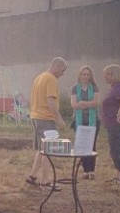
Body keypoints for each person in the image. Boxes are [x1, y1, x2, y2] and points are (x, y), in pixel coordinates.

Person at [26, 57, 68, 189]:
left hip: (36, 117)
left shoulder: (39, 77)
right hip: (46, 118)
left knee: (42, 149)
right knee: (48, 150)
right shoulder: (51, 79)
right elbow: (50, 100)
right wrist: (59, 118)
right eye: (63, 70)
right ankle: (45, 181)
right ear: (56, 66)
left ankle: (32, 176)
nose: (63, 73)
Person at [70, 65, 101, 179]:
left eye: (88, 74)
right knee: (82, 144)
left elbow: (97, 103)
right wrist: (89, 104)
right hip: (79, 120)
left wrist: (83, 103)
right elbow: (74, 105)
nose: (85, 76)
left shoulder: (94, 87)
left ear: (90, 76)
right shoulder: (75, 88)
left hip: (94, 120)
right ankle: (85, 171)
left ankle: (91, 171)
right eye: (83, 74)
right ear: (80, 75)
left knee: (92, 144)